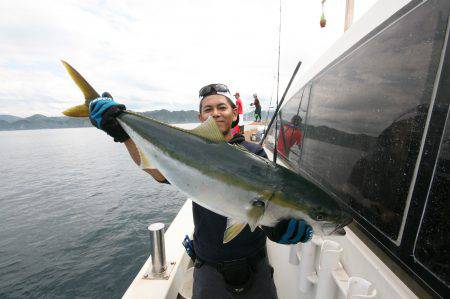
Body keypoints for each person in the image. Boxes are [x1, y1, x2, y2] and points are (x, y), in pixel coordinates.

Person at [89, 84, 313, 299]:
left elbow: (265, 202)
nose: (215, 113)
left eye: (222, 107)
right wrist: (123, 134)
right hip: (208, 268)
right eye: (208, 109)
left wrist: (277, 227)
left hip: (254, 264)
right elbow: (157, 172)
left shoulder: (255, 155)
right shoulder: (190, 150)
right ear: (201, 118)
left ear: (235, 114)